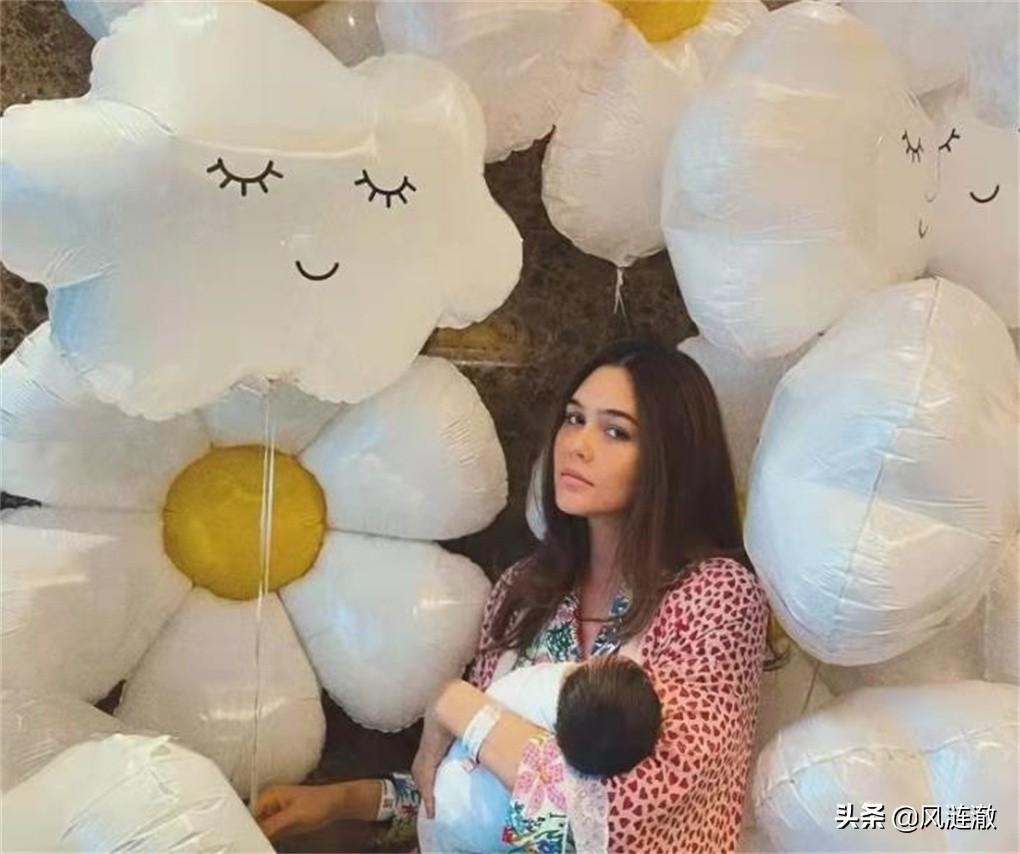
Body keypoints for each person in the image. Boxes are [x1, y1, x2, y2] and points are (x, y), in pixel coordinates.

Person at [255, 337, 771, 852]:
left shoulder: (717, 597)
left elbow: (617, 816)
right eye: (574, 418)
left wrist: (458, 704)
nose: (578, 444)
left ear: (672, 458)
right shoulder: (524, 594)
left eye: (616, 431)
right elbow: (469, 788)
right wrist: (344, 802)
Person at [418, 656, 662, 852]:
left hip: (450, 813)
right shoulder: (557, 708)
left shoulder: (568, 693)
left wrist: (452, 702)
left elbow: (452, 701)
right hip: (449, 814)